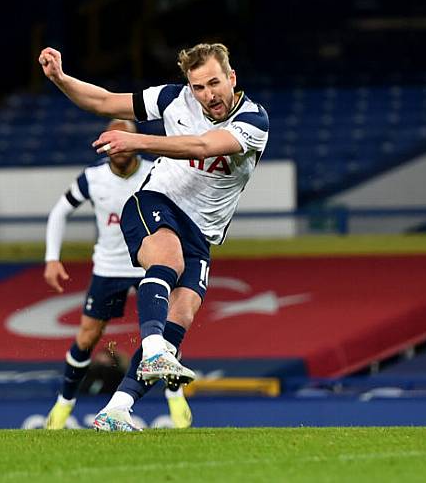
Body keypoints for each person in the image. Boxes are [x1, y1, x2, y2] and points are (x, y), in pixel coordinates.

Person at [39, 42, 269, 431]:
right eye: (198, 87)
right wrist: (61, 79)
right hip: (155, 202)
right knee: (168, 263)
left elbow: (203, 145)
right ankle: (150, 350)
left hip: (202, 231)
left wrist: (138, 140)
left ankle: (117, 409)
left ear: (231, 79)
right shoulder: (172, 99)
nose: (207, 94)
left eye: (214, 83)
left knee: (180, 317)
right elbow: (105, 103)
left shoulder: (254, 121)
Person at [41, 119, 192, 429]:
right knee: (87, 337)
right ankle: (63, 404)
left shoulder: (156, 171)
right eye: (111, 140)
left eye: (125, 138)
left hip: (149, 263)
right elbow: (60, 210)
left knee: (165, 329)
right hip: (109, 267)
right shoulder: (92, 178)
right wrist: (51, 258)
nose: (117, 146)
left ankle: (175, 396)